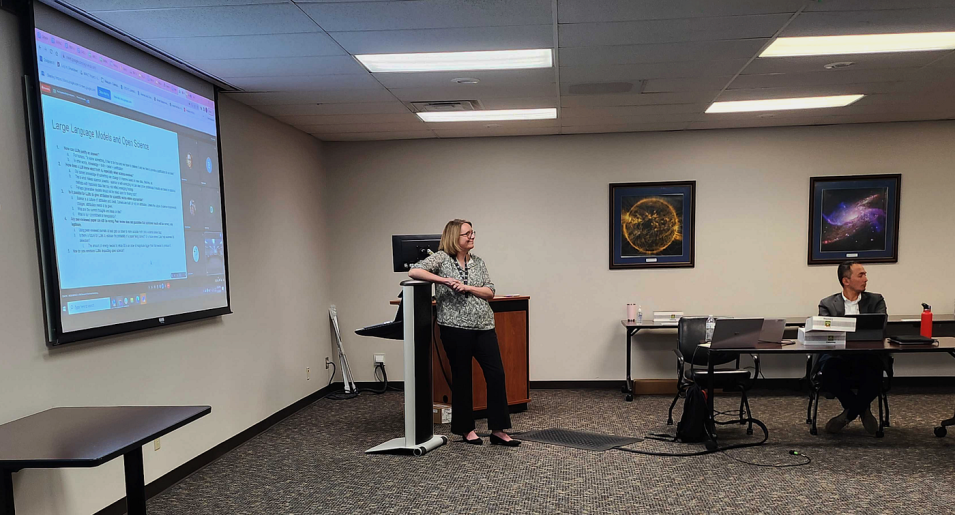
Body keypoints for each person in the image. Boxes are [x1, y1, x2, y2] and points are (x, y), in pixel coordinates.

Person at [408, 219, 519, 447]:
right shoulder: (441, 258)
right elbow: (414, 271)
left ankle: (498, 430)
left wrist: (468, 287)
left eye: (473, 233)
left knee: (496, 375)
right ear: (454, 238)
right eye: (467, 234)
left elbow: (490, 291)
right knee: (462, 378)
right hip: (454, 328)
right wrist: (445, 280)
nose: (472, 237)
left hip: (484, 326)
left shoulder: (478, 262)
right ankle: (466, 429)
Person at [817, 261, 888, 435]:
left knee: (875, 370)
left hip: (868, 354)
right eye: (861, 275)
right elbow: (825, 332)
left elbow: (881, 326)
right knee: (829, 371)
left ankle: (848, 414)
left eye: (865, 274)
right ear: (846, 281)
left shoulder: (876, 300)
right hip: (839, 355)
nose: (866, 279)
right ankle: (861, 409)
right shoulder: (827, 303)